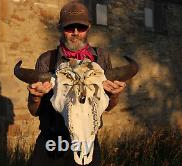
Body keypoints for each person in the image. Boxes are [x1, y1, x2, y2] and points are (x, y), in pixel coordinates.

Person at [27, 1, 126, 166]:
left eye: (81, 27)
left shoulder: (101, 58)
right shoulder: (47, 60)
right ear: (60, 28)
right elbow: (34, 111)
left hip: (88, 142)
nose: (75, 33)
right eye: (69, 27)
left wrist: (114, 94)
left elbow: (107, 106)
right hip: (52, 142)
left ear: (88, 27)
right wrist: (35, 97)